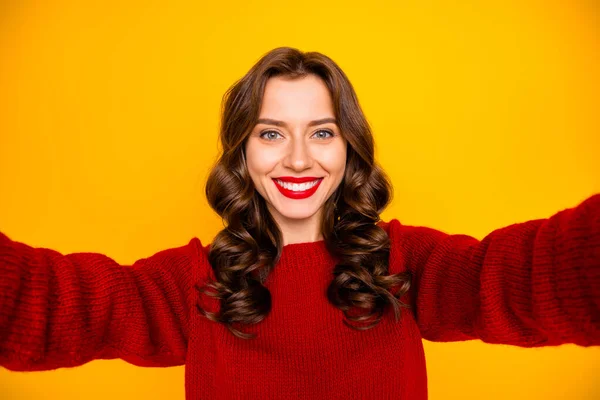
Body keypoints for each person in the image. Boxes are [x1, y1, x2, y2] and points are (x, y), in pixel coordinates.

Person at [0, 46, 598, 400]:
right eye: (270, 133)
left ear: (349, 149)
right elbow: (51, 304)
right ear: (241, 154)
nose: (297, 159)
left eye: (321, 132)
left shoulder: (408, 266)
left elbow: (531, 274)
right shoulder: (192, 284)